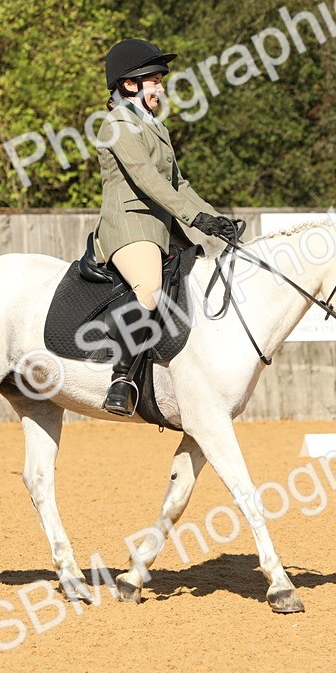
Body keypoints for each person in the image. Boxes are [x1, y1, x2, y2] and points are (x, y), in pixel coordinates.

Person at [92, 38, 237, 417]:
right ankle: (121, 380)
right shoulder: (115, 125)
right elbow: (146, 180)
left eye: (160, 80)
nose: (160, 87)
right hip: (129, 227)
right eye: (154, 80)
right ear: (130, 85)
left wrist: (214, 218)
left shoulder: (156, 127)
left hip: (163, 227)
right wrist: (194, 219)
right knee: (150, 290)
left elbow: (178, 185)